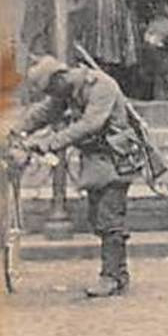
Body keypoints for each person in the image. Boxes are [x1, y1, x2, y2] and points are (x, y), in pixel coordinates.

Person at [8, 57, 145, 297]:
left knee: (109, 219)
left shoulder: (101, 86)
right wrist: (14, 129)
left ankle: (110, 277)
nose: (52, 95)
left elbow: (90, 124)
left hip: (116, 159)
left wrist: (48, 143)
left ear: (59, 78)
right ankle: (119, 274)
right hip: (96, 162)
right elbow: (43, 112)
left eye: (51, 89)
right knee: (98, 218)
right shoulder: (67, 89)